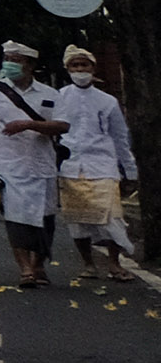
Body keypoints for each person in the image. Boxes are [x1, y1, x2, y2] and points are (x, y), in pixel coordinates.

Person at [0, 43, 70, 290]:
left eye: (15, 59)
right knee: (16, 218)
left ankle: (39, 265)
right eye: (6, 58)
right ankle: (25, 268)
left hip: (42, 164)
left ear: (30, 65)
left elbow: (63, 126)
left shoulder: (50, 94)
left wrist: (29, 125)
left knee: (45, 217)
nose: (9, 63)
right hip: (7, 165)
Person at [49, 46, 139, 282]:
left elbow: (120, 137)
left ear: (93, 68)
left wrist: (129, 169)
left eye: (84, 65)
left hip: (103, 166)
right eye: (75, 66)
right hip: (70, 166)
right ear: (68, 69)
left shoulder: (108, 101)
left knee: (112, 216)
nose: (80, 70)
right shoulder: (58, 97)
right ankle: (88, 264)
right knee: (77, 220)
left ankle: (114, 263)